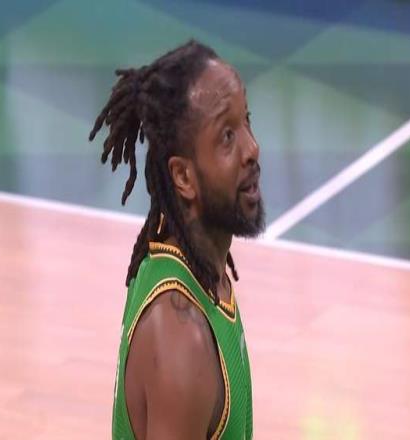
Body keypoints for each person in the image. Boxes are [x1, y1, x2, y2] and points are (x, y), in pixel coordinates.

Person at [89, 40, 265, 440]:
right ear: (183, 177)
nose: (252, 148)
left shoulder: (195, 266)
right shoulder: (181, 337)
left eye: (247, 121)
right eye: (227, 137)